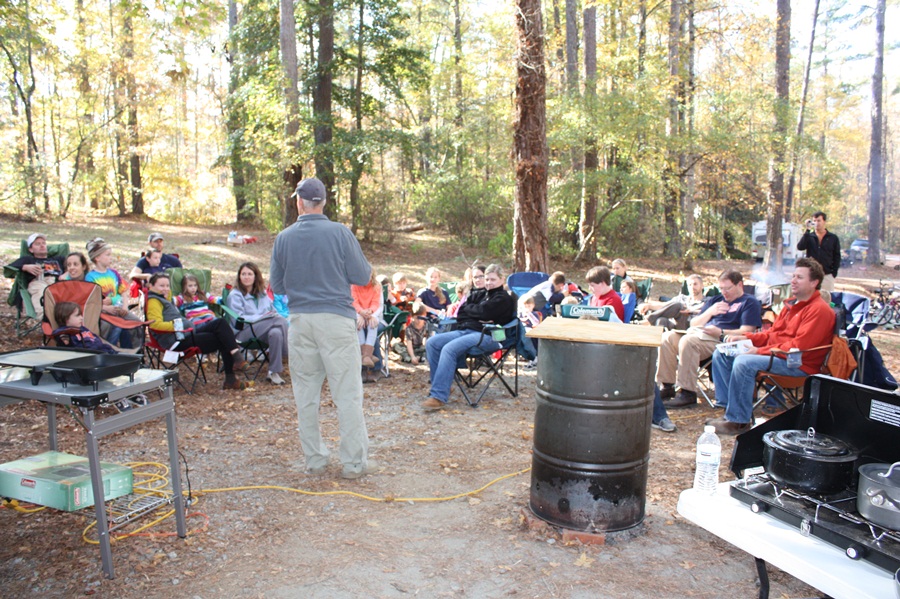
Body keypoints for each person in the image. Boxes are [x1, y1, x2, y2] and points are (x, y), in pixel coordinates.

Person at [270, 177, 376, 480]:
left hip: (301, 321)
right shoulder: (340, 233)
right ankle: (353, 464)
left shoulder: (283, 238)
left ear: (299, 203)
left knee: (306, 394)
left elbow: (278, 285)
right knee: (347, 394)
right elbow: (362, 276)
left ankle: (315, 461)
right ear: (324, 202)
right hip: (336, 320)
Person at [706, 258, 836, 435]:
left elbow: (799, 347)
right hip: (780, 355)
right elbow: (772, 335)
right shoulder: (791, 305)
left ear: (814, 283)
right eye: (793, 276)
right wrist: (744, 338)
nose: (793, 281)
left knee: (744, 362)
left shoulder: (819, 310)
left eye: (799, 277)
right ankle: (730, 410)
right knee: (722, 353)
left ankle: (738, 422)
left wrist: (758, 351)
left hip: (799, 363)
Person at [659, 269, 762, 409]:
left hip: (723, 340)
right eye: (721, 288)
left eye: (728, 288)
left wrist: (721, 332)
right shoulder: (716, 300)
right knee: (667, 338)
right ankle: (667, 386)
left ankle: (687, 393)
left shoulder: (749, 302)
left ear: (739, 285)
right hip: (699, 334)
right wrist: (710, 311)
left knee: (688, 342)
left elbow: (747, 331)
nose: (724, 292)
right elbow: (693, 323)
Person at [422, 264, 516, 410]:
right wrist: (478, 313)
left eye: (493, 279)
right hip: (466, 330)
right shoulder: (478, 294)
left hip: (489, 335)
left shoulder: (503, 298)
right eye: (487, 279)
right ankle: (442, 385)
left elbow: (485, 312)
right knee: (432, 342)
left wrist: (474, 312)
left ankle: (438, 396)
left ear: (502, 279)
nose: (489, 282)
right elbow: (461, 313)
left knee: (449, 349)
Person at [146, 272, 251, 390]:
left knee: (220, 323)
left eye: (167, 285)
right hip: (176, 341)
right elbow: (155, 325)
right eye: (161, 286)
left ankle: (236, 359)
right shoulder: (154, 301)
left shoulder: (163, 297)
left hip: (186, 333)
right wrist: (179, 325)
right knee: (222, 338)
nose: (165, 288)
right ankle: (232, 375)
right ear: (151, 286)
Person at [51, 301, 146, 412]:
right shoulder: (64, 333)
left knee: (131, 364)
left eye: (81, 315)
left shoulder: (84, 329)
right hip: (89, 362)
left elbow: (99, 342)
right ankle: (117, 396)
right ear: (65, 318)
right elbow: (64, 343)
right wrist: (64, 337)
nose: (81, 318)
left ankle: (130, 392)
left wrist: (113, 351)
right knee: (117, 368)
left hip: (105, 355)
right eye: (77, 315)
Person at [224, 262, 290, 386]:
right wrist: (261, 318)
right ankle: (287, 353)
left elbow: (273, 311)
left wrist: (268, 317)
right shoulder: (235, 295)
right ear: (239, 276)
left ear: (255, 276)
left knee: (276, 332)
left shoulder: (262, 294)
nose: (246, 277)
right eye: (243, 274)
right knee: (280, 321)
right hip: (243, 333)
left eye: (250, 274)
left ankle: (273, 372)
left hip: (263, 331)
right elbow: (238, 320)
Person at [84, 238, 142, 349]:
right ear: (97, 258)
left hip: (119, 309)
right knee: (115, 326)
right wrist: (105, 308)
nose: (111, 257)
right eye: (108, 255)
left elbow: (123, 292)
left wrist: (125, 306)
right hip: (103, 313)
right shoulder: (91, 277)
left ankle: (133, 351)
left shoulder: (113, 273)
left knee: (136, 323)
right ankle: (109, 350)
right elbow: (91, 301)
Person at [9, 233, 64, 320]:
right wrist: (25, 267)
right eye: (38, 244)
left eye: (43, 243)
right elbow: (9, 269)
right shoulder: (28, 259)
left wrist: (66, 274)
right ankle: (47, 320)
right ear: (31, 249)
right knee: (42, 292)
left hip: (58, 284)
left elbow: (76, 263)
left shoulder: (58, 259)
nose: (42, 246)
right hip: (38, 282)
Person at [639, 274, 706, 329]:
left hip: (692, 326)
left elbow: (709, 313)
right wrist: (649, 306)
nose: (692, 287)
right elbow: (665, 306)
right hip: (676, 324)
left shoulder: (708, 301)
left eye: (695, 284)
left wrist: (691, 310)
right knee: (661, 320)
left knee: (679, 306)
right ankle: (657, 341)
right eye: (690, 285)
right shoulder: (682, 298)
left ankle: (648, 321)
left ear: (702, 286)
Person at [797, 211, 841, 292]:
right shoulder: (809, 237)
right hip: (812, 275)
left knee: (826, 297)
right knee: (811, 297)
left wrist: (833, 273)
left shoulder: (833, 238)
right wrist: (807, 230)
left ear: (824, 221)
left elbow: (837, 256)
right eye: (814, 221)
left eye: (819, 220)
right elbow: (800, 247)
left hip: (827, 275)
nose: (816, 223)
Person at [350, 270, 384, 370]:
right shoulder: (354, 286)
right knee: (359, 324)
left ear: (372, 275)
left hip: (374, 315)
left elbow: (377, 304)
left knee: (372, 324)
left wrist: (371, 314)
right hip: (358, 314)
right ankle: (368, 357)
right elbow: (354, 302)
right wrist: (360, 313)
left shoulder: (376, 286)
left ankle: (365, 357)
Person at [519, 295, 542, 370]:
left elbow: (536, 323)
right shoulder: (521, 314)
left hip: (533, 332)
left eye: (529, 306)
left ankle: (535, 357)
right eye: (525, 306)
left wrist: (529, 314)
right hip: (523, 332)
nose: (527, 308)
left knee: (534, 338)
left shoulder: (535, 314)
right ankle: (528, 356)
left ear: (533, 305)